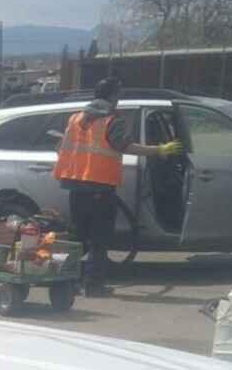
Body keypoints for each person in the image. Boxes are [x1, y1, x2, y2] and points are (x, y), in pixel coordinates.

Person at [53, 78, 181, 295]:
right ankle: (93, 286)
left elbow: (61, 147)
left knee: (78, 238)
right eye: (118, 94)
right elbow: (125, 146)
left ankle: (64, 281)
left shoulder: (76, 118)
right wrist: (159, 150)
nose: (119, 99)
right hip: (99, 188)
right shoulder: (111, 120)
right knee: (99, 239)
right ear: (113, 96)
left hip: (75, 186)